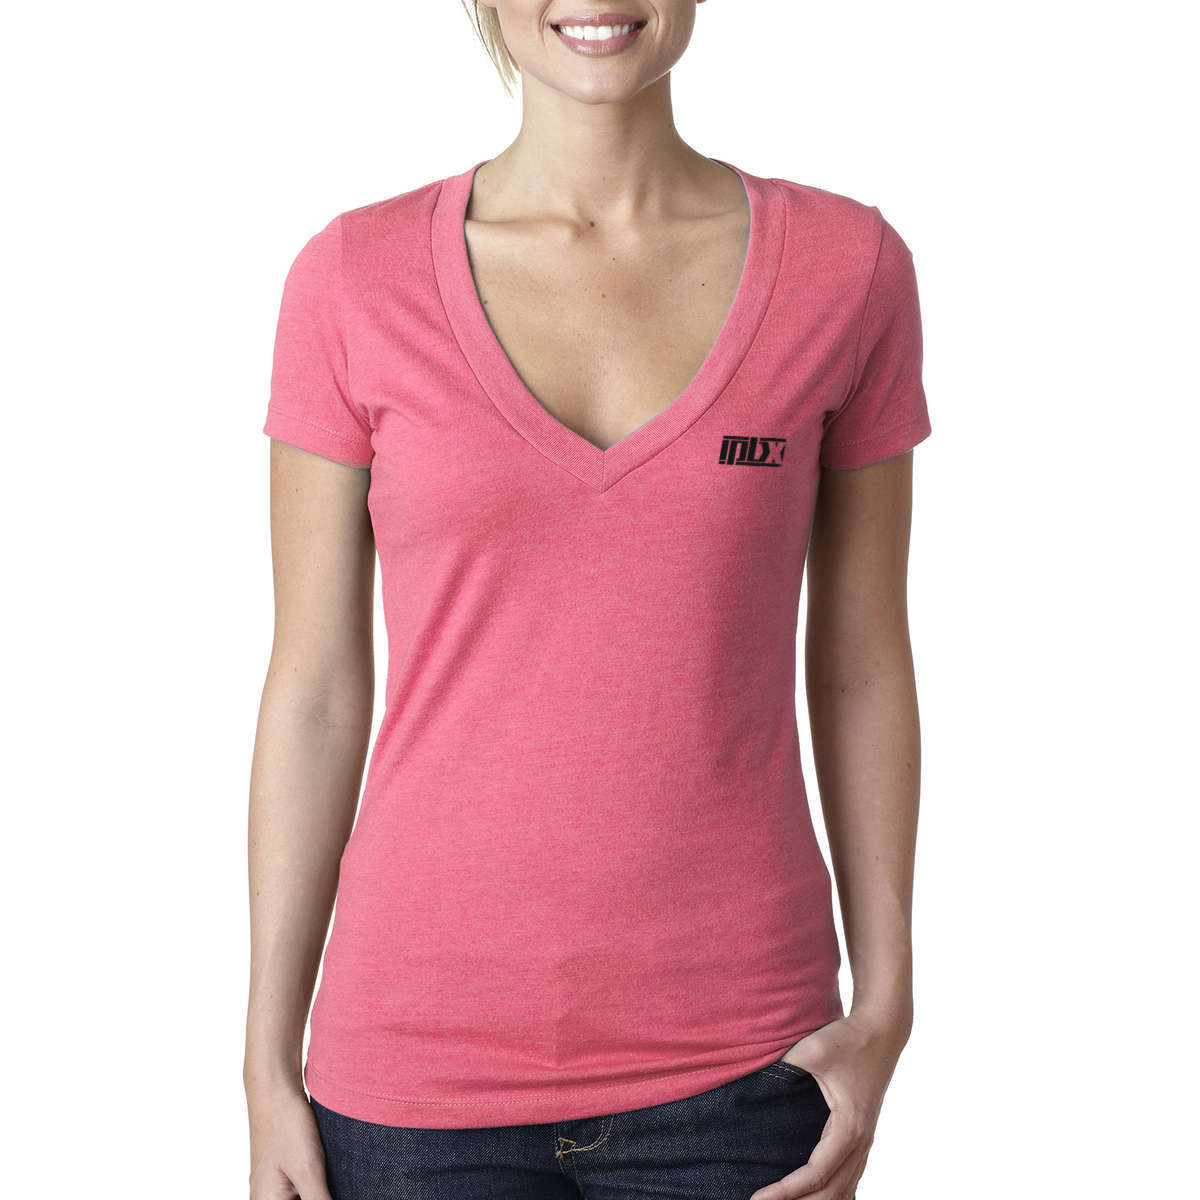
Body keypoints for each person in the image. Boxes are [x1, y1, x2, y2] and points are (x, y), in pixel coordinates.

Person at [244, 3, 931, 1199]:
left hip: (743, 1069)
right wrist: (264, 1066)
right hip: (413, 1081)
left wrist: (889, 1007)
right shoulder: (351, 279)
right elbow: (314, 692)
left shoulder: (847, 269)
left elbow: (863, 663)